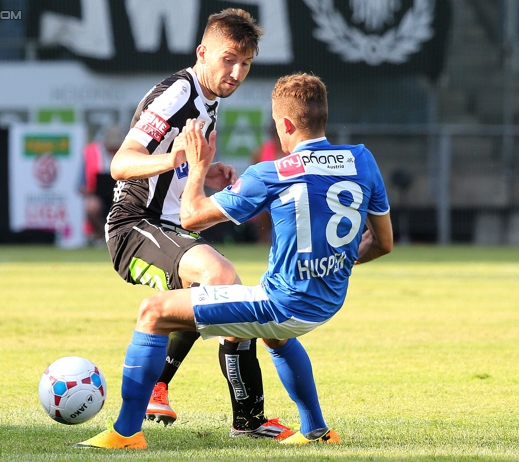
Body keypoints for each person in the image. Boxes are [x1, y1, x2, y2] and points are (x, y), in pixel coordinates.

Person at [75, 72, 393, 450]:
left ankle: (126, 433)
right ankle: (317, 432)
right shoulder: (361, 159)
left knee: (154, 311)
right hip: (327, 301)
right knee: (275, 336)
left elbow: (190, 216)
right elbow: (383, 243)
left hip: (284, 303)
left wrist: (197, 166)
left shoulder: (271, 173)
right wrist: (334, 264)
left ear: (285, 124)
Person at [101, 8, 291, 439]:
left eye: (245, 63)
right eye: (229, 60)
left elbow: (183, 163)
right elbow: (120, 163)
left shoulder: (209, 99)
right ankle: (245, 419)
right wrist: (179, 159)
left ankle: (176, 393)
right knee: (222, 279)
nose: (237, 72)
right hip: (135, 225)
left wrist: (206, 171)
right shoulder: (177, 95)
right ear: (202, 52)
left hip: (168, 225)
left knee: (209, 296)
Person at [79, 124, 123, 245]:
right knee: (91, 206)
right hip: (99, 197)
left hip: (123, 196)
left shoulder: (129, 152)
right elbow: (80, 186)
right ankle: (101, 236)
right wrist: (90, 190)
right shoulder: (90, 153)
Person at [249, 122, 285, 243]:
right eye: (275, 134)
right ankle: (263, 241)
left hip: (287, 194)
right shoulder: (261, 151)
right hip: (266, 194)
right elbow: (252, 176)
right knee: (264, 205)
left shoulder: (293, 151)